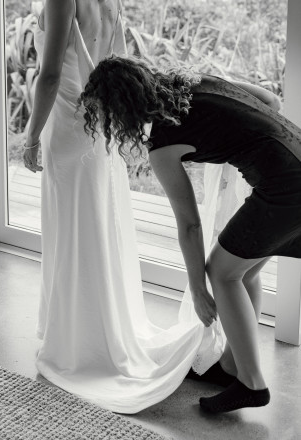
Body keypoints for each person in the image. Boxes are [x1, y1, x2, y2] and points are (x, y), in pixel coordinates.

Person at [22, 0, 226, 414]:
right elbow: (114, 65)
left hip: (68, 132)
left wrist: (29, 135)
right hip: (100, 131)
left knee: (73, 231)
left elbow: (49, 75)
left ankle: (79, 342)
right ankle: (103, 330)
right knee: (99, 229)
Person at [79, 55, 301, 413]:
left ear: (122, 110)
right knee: (243, 272)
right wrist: (240, 145)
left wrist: (198, 288)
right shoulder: (196, 82)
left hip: (285, 190)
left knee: (222, 273)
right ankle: (233, 366)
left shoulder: (163, 143)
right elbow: (271, 101)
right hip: (295, 161)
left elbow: (190, 224)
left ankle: (252, 384)